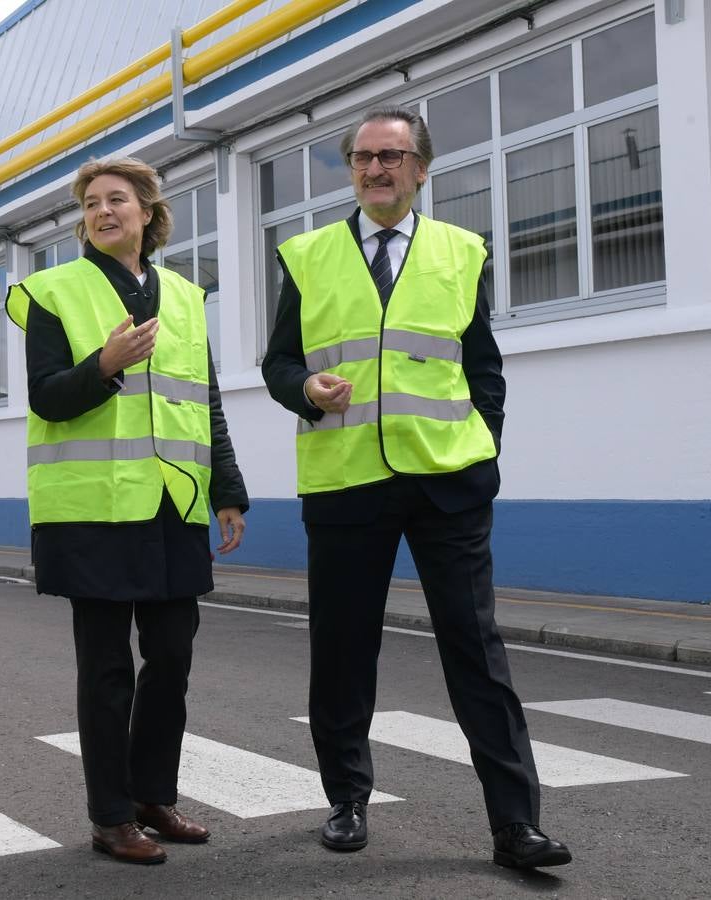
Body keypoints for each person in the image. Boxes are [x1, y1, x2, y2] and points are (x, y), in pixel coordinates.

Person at [261, 106, 571, 869]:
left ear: (421, 169)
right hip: (345, 484)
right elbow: (278, 365)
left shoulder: (463, 252)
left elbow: (483, 366)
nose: (376, 169)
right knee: (342, 651)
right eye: (363, 157)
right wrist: (307, 389)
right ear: (352, 170)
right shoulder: (306, 255)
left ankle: (514, 826)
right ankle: (346, 800)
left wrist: (483, 453)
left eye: (392, 156)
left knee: (476, 651)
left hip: (447, 484)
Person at [6, 157, 248, 866]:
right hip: (93, 510)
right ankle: (110, 816)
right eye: (91, 204)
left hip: (174, 502)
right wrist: (103, 365)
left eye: (117, 200)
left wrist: (227, 489)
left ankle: (152, 796)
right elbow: (47, 395)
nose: (103, 212)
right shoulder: (53, 290)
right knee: (107, 667)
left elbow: (202, 399)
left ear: (148, 211)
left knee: (172, 656)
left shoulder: (180, 293)